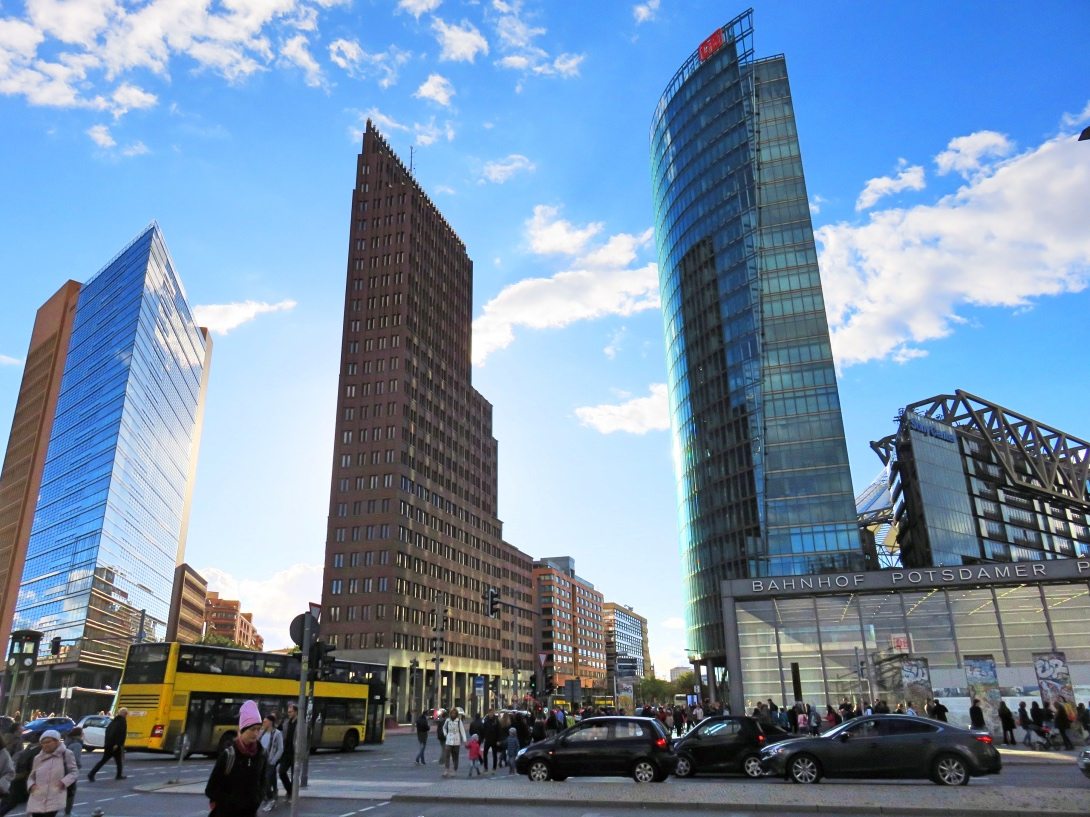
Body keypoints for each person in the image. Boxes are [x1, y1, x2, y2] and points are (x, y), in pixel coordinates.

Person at [205, 700, 266, 817]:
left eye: (258, 729)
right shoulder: (229, 755)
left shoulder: (261, 754)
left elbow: (263, 782)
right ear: (242, 730)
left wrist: (257, 800)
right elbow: (211, 789)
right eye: (252, 729)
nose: (256, 733)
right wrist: (231, 803)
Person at [26, 729, 77, 817]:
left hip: (55, 795)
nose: (45, 745)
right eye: (43, 743)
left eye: (48, 742)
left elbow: (74, 772)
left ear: (57, 741)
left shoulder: (66, 754)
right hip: (38, 796)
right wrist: (32, 786)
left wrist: (63, 782)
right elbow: (31, 777)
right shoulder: (38, 758)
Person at [87, 708, 128, 781]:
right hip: (115, 745)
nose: (126, 715)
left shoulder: (114, 721)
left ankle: (92, 773)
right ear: (124, 714)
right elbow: (121, 733)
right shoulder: (122, 721)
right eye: (126, 714)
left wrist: (108, 742)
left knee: (113, 761)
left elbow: (108, 731)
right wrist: (117, 744)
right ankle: (92, 773)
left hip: (109, 744)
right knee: (114, 761)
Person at [258, 714, 283, 812]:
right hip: (261, 761)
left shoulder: (277, 734)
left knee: (266, 781)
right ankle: (273, 794)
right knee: (268, 779)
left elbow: (280, 749)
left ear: (270, 722)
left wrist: (273, 760)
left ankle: (270, 799)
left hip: (270, 761)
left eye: (265, 721)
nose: (263, 723)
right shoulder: (261, 733)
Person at [277, 704, 297, 801]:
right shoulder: (286, 723)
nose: (288, 714)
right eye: (288, 712)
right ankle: (290, 790)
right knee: (281, 772)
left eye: (290, 712)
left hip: (295, 753)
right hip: (286, 752)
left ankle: (291, 795)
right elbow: (278, 731)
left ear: (296, 712)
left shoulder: (301, 724)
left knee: (295, 775)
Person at [63, 728, 83, 816]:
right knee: (71, 792)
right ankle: (68, 812)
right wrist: (79, 766)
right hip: (70, 771)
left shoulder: (66, 742)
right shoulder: (77, 745)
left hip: (61, 769)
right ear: (79, 734)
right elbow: (76, 759)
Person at [442, 709, 467, 778]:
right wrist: (445, 734)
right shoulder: (448, 720)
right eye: (452, 713)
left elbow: (462, 731)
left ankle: (454, 769)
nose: (453, 714)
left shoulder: (459, 721)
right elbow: (444, 728)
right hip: (449, 740)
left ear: (456, 714)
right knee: (447, 755)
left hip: (456, 741)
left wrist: (465, 740)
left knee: (455, 756)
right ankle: (446, 769)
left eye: (454, 713)